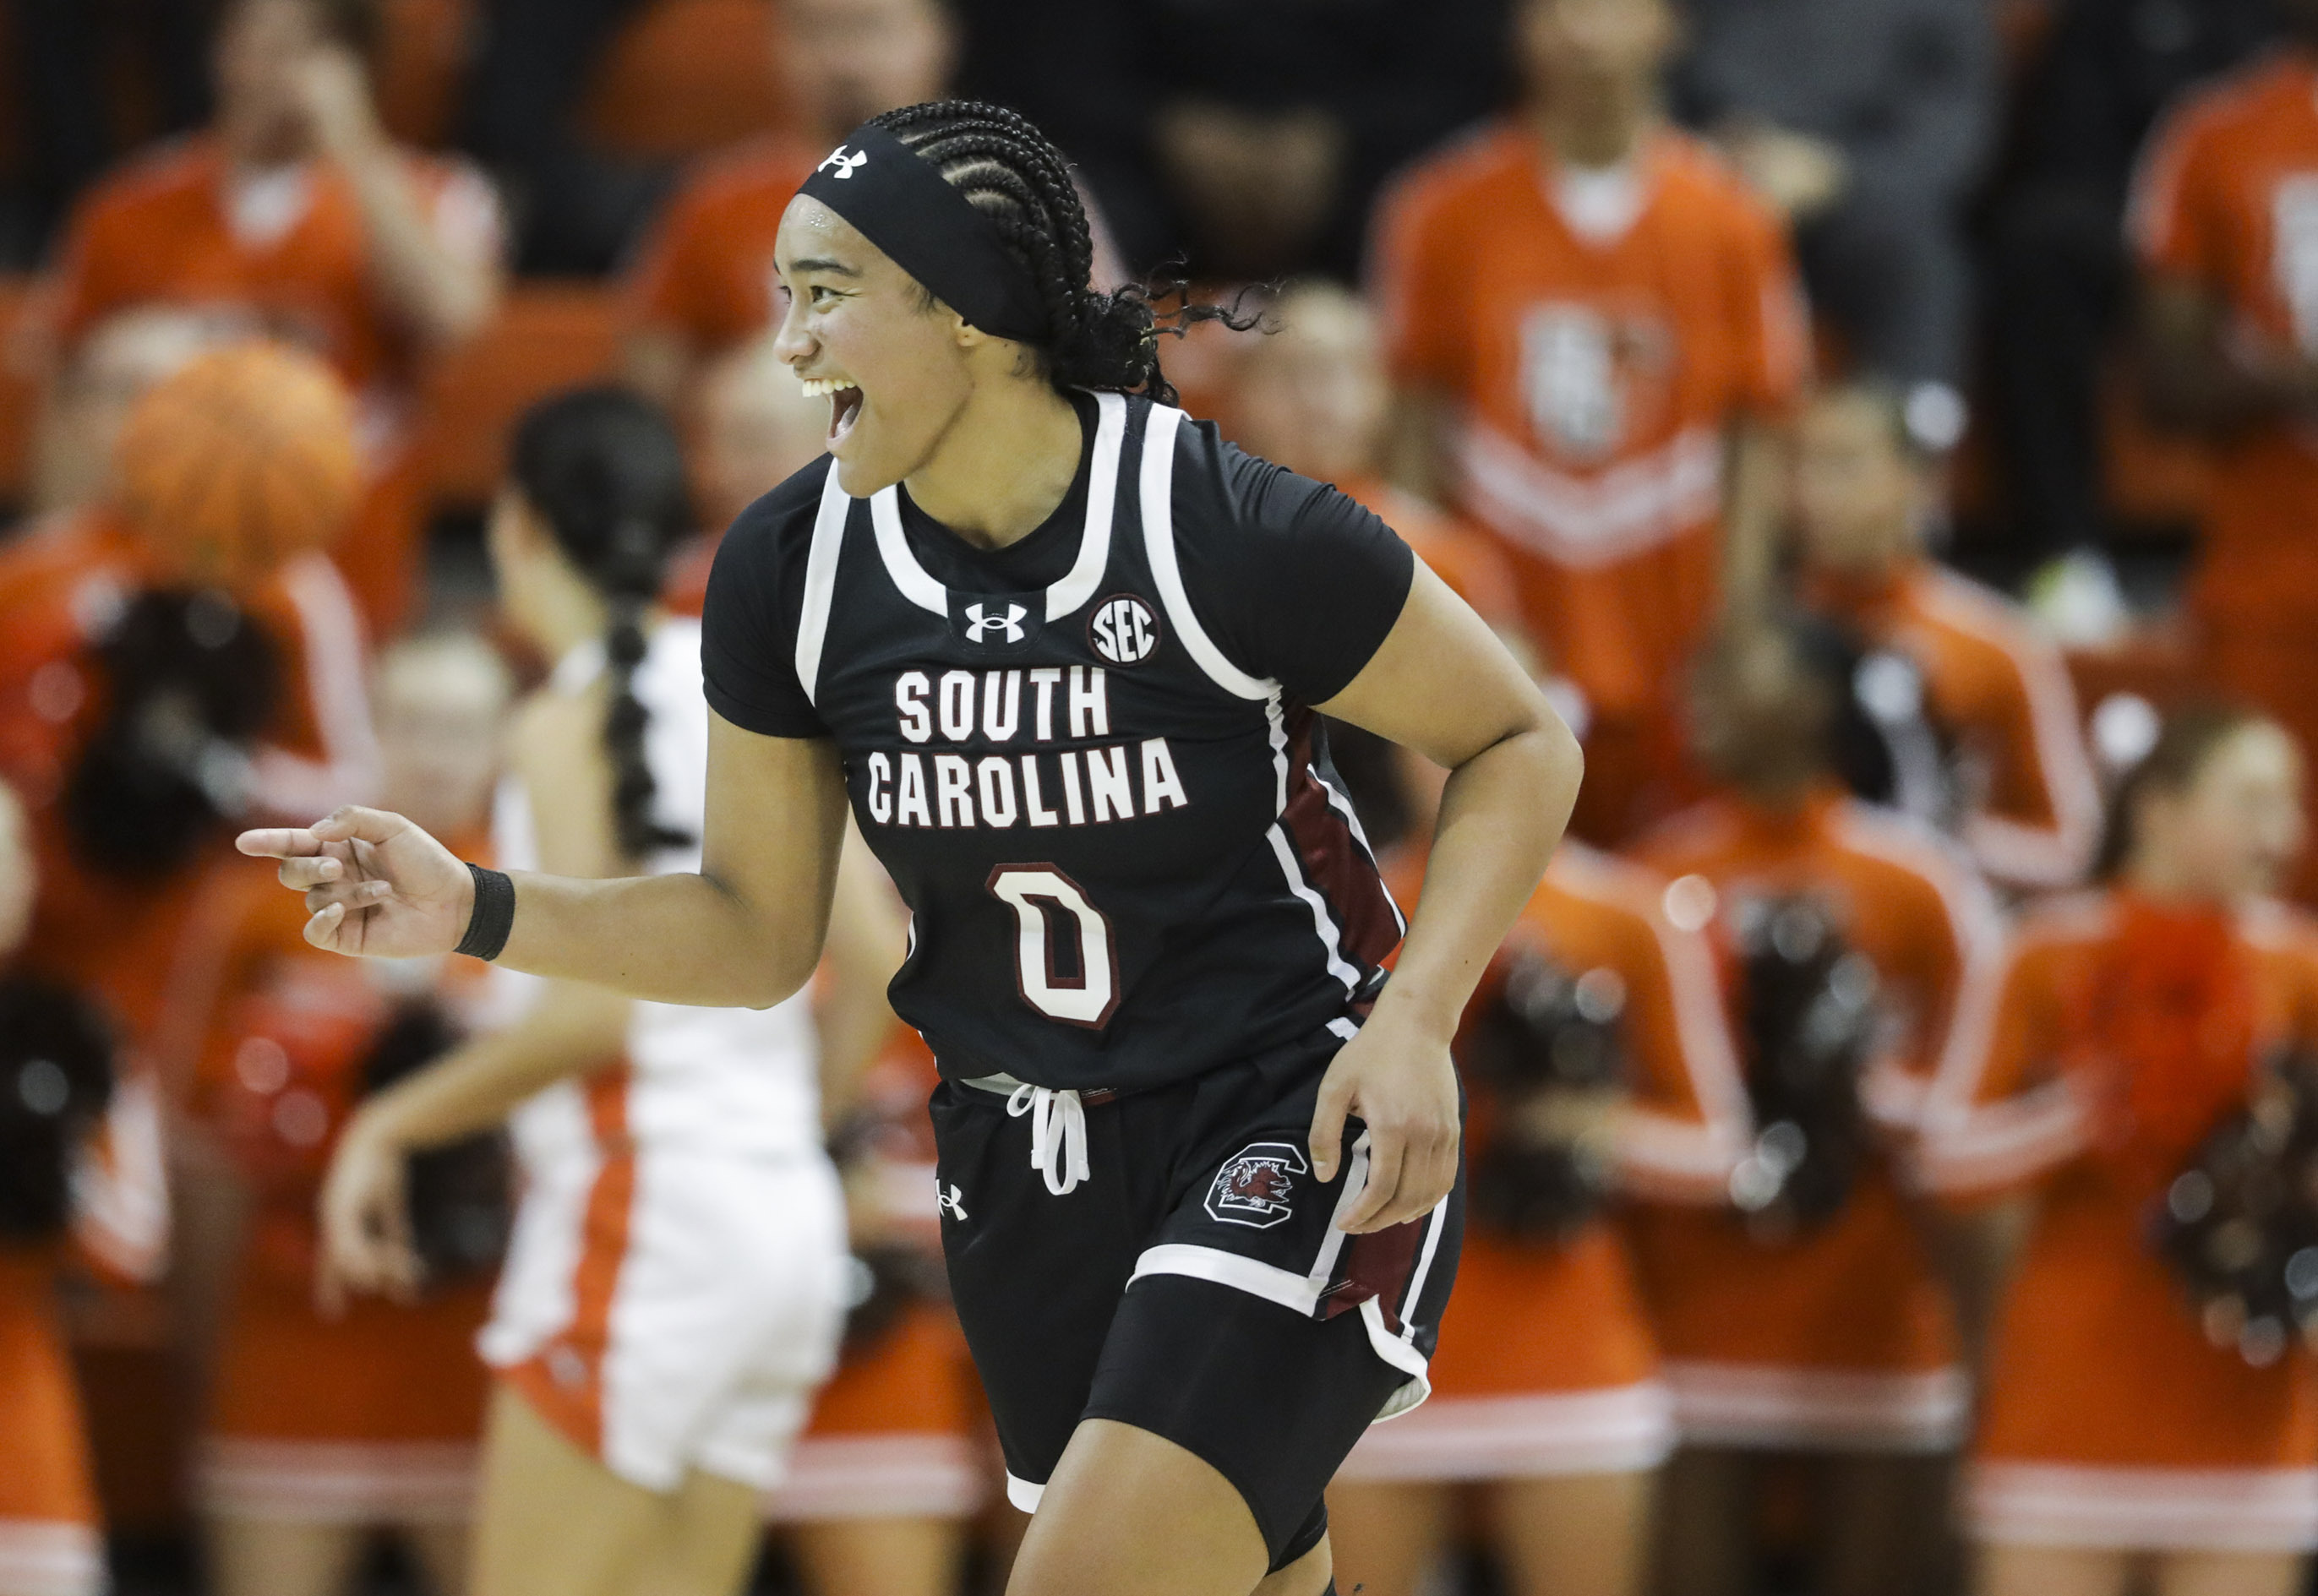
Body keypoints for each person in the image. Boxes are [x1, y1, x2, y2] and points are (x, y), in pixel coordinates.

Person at [243, 100, 1582, 1596]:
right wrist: (477, 905)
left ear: (965, 315)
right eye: (781, 300)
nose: (789, 348)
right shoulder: (788, 565)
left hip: (1282, 1101)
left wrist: (1413, 1020)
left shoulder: (1216, 522)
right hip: (1021, 1154)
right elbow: (755, 934)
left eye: (824, 295)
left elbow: (1521, 740)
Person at [308, 389, 895, 1596]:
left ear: (516, 526)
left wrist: (387, 1122)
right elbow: (877, 972)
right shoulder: (749, 685)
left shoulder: (563, 718)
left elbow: (593, 1017)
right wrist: (792, 1131)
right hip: (783, 1225)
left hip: (647, 1215)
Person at [1371, 0, 1807, 847]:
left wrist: (1741, 617)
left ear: (1670, 25)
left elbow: (1757, 433)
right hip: (1501, 636)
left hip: (1678, 636)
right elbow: (1411, 429)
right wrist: (1431, 620)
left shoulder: (1732, 219)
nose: (1584, 30)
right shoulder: (1435, 209)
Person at [1628, 621, 2003, 1596]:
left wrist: (1857, 1086)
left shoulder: (1920, 881)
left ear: (1808, 703)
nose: (1693, 703)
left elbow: (1981, 1100)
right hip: (1695, 1312)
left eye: (1728, 675)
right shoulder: (1656, 878)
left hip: (1877, 1311)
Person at [1324, 755, 1750, 1596]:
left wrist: (1577, 1121)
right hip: (1371, 1347)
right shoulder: (1340, 908)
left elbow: (1721, 1148)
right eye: (1430, 736)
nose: (1455, 758)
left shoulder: (1623, 911)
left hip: (1572, 1348)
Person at [1919, 705, 2318, 1596]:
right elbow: (1945, 1161)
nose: (2284, 831)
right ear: (2157, 809)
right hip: (2066, 1403)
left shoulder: (2298, 963)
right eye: (2252, 800)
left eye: (2291, 803)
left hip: (2244, 1409)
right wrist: (2087, 1111)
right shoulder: (2039, 950)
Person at [164, 633, 513, 1596]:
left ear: (504, 742)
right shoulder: (260, 906)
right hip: (287, 1343)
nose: (437, 752)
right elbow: (200, 1158)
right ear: (367, 725)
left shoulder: (551, 905)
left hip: (478, 1358)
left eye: (464, 727)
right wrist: (202, 1354)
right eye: (413, 722)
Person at [33, 0, 505, 636]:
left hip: (345, 559)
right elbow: (60, 397)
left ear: (353, 67)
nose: (271, 69)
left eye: (301, 49)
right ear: (219, 49)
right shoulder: (128, 205)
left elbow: (455, 316)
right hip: (164, 561)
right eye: (255, 42)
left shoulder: (431, 192)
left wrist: (353, 144)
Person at [1983, 0, 2274, 633]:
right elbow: (2067, 144)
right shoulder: (2102, 18)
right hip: (2116, 216)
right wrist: (2152, 221)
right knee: (2039, 247)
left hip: (2245, 221)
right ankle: (2065, 551)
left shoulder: (2267, 23)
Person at [2132, 0, 2318, 907]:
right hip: (2269, 578)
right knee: (2253, 901)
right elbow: (2164, 383)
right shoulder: (2216, 135)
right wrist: (2291, 381)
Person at [1791, 382, 2103, 892]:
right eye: (1798, 465)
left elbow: (2070, 846)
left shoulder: (1998, 646)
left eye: (1842, 465)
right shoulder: (1759, 639)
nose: (1812, 493)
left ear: (1914, 480)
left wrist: (1951, 840)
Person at [1670, 0, 1994, 435]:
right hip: (1710, 188)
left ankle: (1915, 459)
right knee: (1644, 228)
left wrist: (1834, 171)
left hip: (1859, 202)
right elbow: (1653, 83)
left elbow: (1952, 133)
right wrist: (1711, 165)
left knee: (1917, 258)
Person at [619, 0, 958, 409]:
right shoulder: (717, 200)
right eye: (815, 32)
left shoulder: (1004, 194)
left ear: (941, 38)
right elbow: (650, 383)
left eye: (873, 29)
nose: (845, 61)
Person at [0, 777, 116, 1596]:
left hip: (19, 1421)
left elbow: (133, 1241)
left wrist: (51, 1166)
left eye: (6, 851)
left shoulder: (70, 1028)